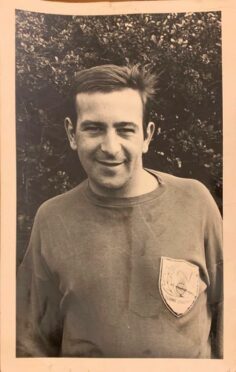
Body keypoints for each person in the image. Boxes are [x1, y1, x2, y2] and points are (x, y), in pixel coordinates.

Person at [16, 64, 223, 358]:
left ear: (147, 136)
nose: (110, 147)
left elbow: (229, 305)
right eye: (94, 128)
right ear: (72, 133)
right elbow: (30, 341)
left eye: (125, 129)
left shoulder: (196, 201)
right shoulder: (51, 218)